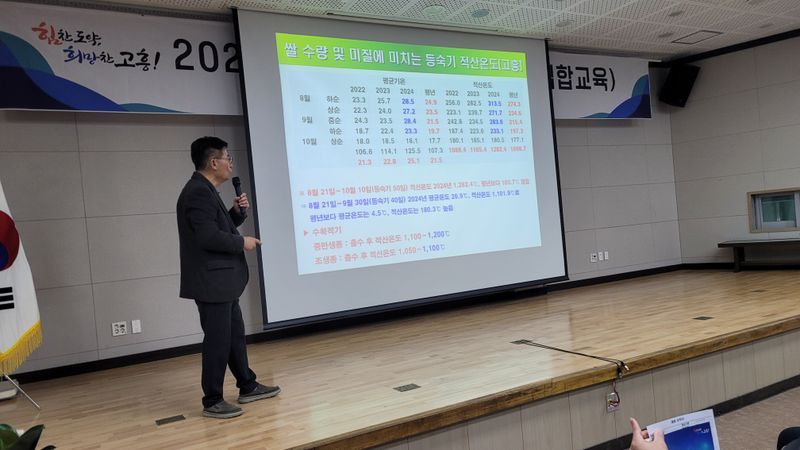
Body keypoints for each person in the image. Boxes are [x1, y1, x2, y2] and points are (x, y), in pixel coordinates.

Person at [177, 136, 280, 419]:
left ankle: (247, 384)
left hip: (221, 281)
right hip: (212, 282)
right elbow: (208, 237)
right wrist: (242, 242)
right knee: (217, 341)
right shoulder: (198, 192)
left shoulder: (205, 190)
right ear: (214, 162)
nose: (230, 163)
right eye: (227, 158)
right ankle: (212, 399)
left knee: (233, 336)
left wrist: (234, 214)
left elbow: (215, 229)